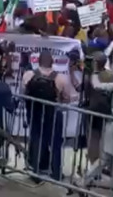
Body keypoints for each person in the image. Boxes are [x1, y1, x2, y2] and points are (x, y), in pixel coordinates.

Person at [21, 50, 78, 182]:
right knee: (55, 143)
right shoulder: (61, 78)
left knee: (36, 140)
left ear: (38, 61)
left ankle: (36, 171)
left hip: (34, 112)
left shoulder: (28, 75)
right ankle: (56, 172)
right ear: (52, 62)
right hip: (53, 113)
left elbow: (23, 93)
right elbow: (67, 98)